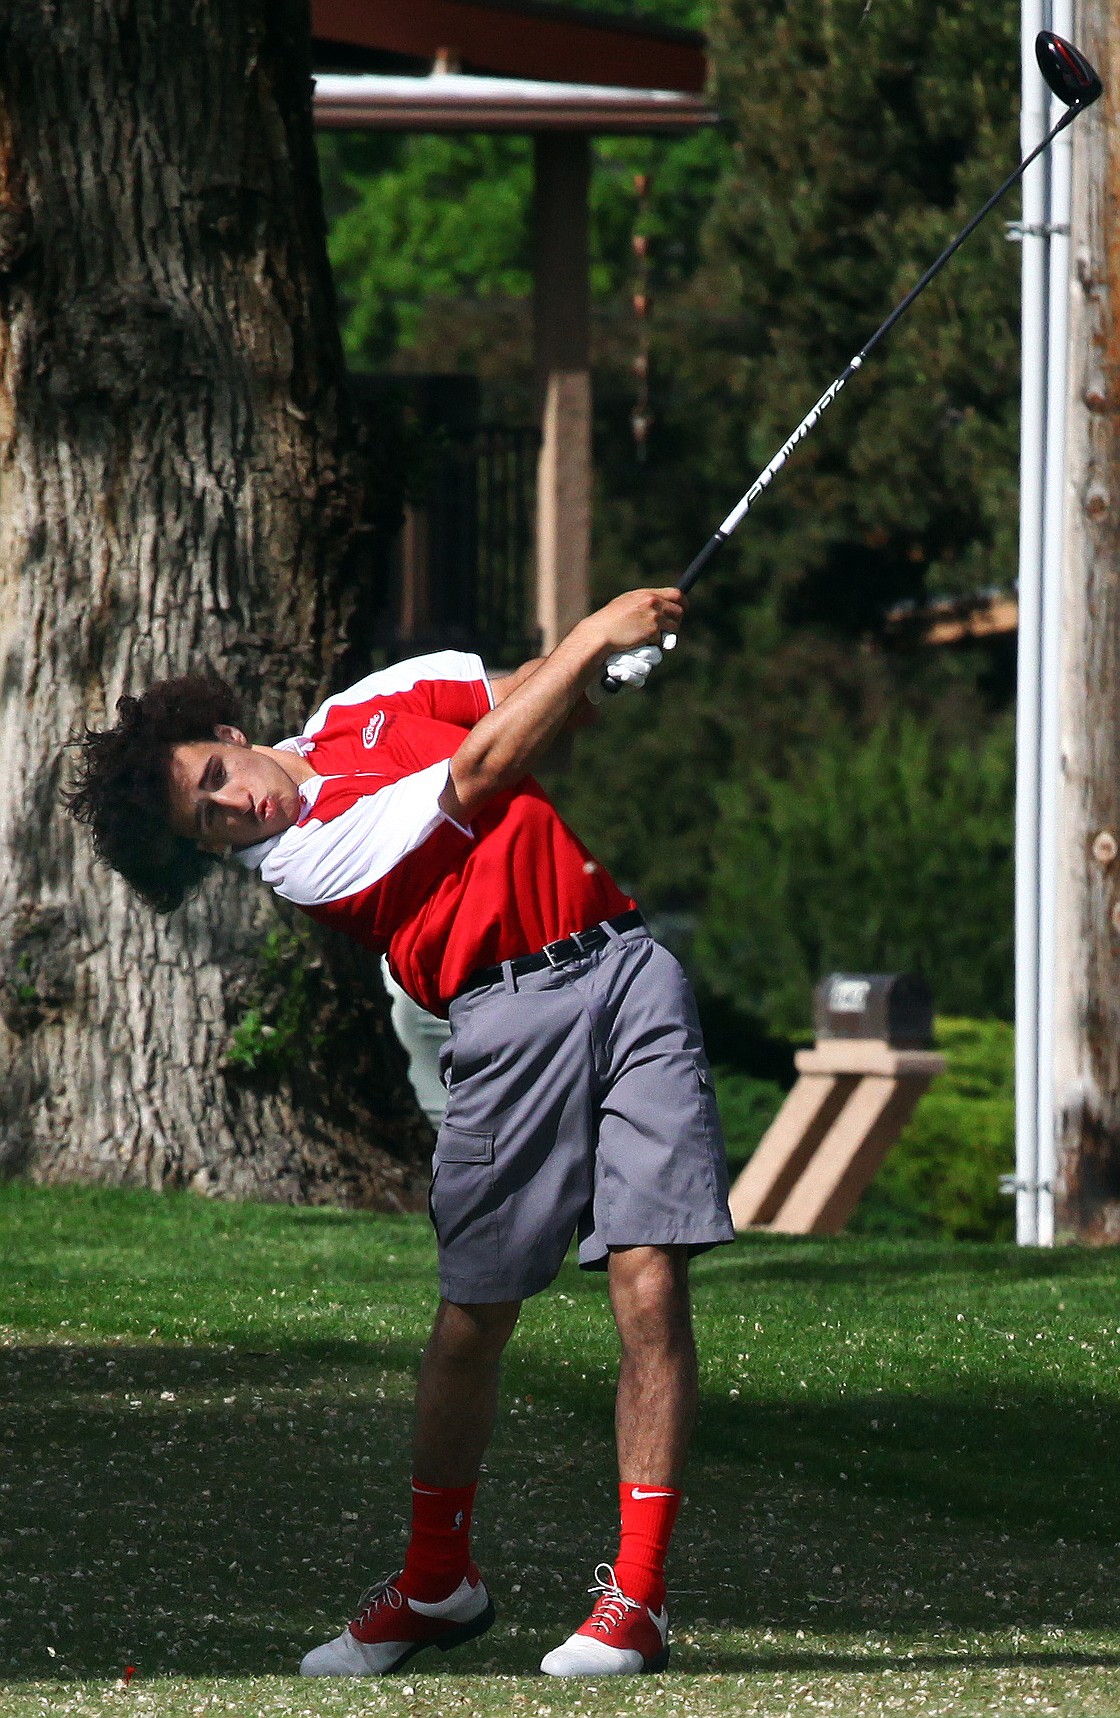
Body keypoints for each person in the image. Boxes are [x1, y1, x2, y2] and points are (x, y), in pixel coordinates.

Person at [65, 586, 735, 1678]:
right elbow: (477, 774)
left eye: (219, 780)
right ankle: (436, 1581)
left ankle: (639, 1599)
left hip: (624, 963)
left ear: (231, 734)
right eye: (210, 824)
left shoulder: (368, 704)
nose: (238, 812)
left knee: (651, 1276)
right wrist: (589, 639)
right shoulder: (305, 859)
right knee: (474, 1316)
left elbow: (515, 698)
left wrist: (601, 667)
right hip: (507, 1020)